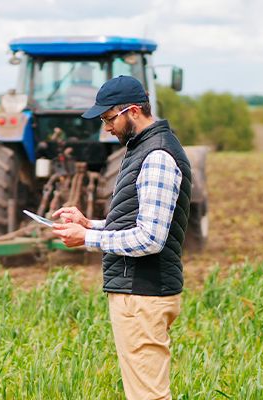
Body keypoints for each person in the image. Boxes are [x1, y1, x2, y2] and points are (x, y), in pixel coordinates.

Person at [51, 75, 192, 400]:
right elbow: (136, 222)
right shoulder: (143, 150)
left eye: (109, 118)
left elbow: (149, 239)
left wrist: (87, 239)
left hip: (143, 294)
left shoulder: (157, 156)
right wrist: (91, 224)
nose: (107, 128)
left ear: (132, 111)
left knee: (149, 396)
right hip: (138, 293)